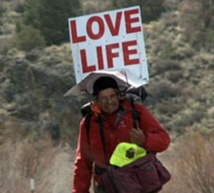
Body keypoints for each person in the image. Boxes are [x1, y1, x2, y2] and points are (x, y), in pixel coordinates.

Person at [72, 76, 170, 193]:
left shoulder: (137, 112)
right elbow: (83, 162)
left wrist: (144, 140)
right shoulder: (88, 123)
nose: (109, 101)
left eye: (112, 96)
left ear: (119, 95)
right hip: (107, 186)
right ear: (96, 100)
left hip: (138, 184)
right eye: (103, 98)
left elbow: (164, 141)